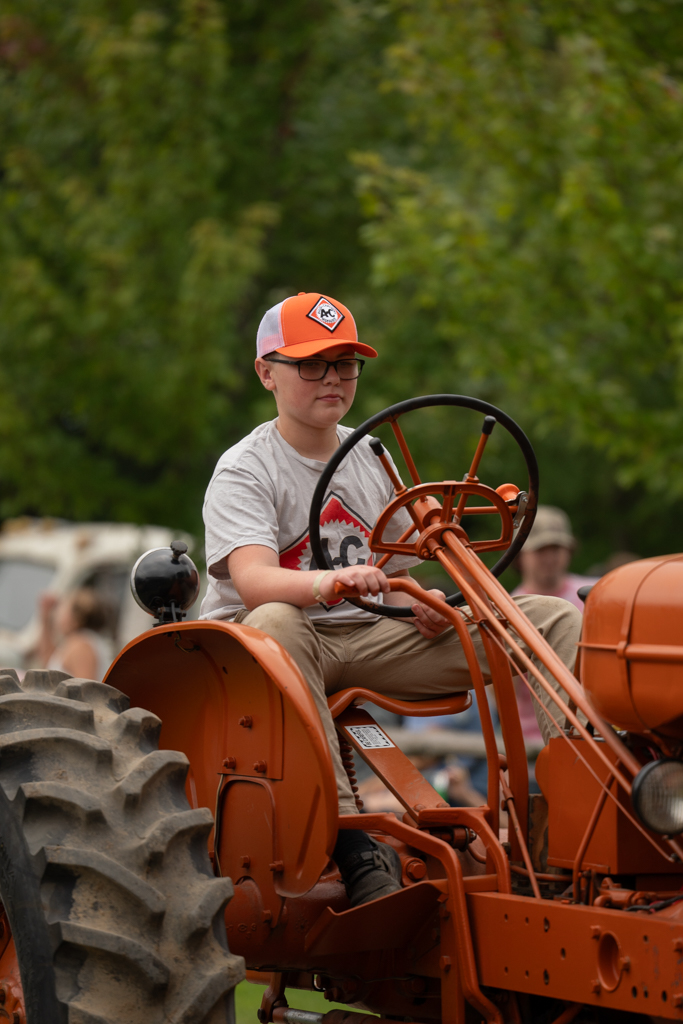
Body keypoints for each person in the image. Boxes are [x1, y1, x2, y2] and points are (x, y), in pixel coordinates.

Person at [200, 291, 582, 906]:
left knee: (551, 618)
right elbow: (254, 582)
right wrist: (331, 582)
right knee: (276, 616)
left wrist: (424, 600)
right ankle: (349, 838)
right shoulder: (246, 467)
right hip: (275, 652)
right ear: (266, 373)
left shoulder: (370, 455)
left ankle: (586, 816)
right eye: (312, 365)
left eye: (345, 364)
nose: (333, 378)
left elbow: (403, 568)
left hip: (369, 637)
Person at [512, 506, 598, 612]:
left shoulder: (597, 594)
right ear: (519, 556)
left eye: (555, 548)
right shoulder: (510, 611)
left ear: (569, 551)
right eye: (540, 550)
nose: (549, 558)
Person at [37, 588, 113, 681]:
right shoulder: (78, 641)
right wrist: (45, 618)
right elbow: (49, 661)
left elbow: (86, 688)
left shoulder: (81, 645)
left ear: (75, 618)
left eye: (63, 607)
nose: (57, 612)